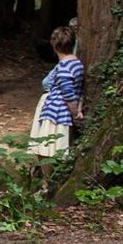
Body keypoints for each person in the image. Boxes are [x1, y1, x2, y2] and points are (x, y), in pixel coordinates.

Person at [27, 26, 85, 159]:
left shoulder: (64, 67)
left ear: (55, 46)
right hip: (58, 111)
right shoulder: (76, 63)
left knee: (47, 152)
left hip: (56, 113)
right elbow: (79, 90)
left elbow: (69, 94)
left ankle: (46, 179)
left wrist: (75, 114)